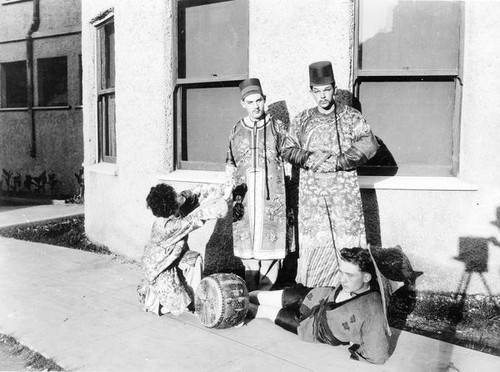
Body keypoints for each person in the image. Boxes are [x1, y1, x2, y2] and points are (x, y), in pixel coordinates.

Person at [282, 61, 379, 287]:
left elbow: (370, 144)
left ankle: (350, 287)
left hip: (342, 196)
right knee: (317, 240)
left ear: (334, 89)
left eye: (327, 90)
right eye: (317, 91)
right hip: (313, 196)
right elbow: (286, 148)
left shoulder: (351, 117)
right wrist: (310, 159)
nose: (322, 96)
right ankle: (315, 289)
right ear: (311, 92)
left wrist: (339, 161)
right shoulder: (303, 119)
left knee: (346, 237)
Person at [248, 247, 390, 365]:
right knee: (257, 296)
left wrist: (356, 341)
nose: (343, 279)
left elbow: (378, 355)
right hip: (314, 297)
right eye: (341, 272)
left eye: (349, 275)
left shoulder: (372, 310)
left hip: (314, 328)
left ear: (367, 277)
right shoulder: (354, 283)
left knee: (261, 311)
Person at [224, 78, 290, 291]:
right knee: (248, 244)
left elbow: (289, 157)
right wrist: (229, 191)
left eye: (259, 101)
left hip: (270, 194)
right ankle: (250, 291)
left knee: (269, 245)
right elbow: (230, 164)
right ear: (243, 104)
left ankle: (265, 292)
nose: (256, 106)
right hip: (244, 195)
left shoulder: (277, 127)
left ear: (264, 100)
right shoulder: (236, 129)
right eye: (250, 102)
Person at [137, 183, 227, 316]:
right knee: (171, 305)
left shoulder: (176, 207)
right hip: (159, 269)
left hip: (174, 258)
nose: (179, 197)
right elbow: (196, 219)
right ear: (171, 208)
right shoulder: (166, 226)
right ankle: (155, 300)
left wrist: (224, 189)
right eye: (175, 197)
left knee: (193, 259)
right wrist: (224, 203)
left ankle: (196, 300)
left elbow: (196, 194)